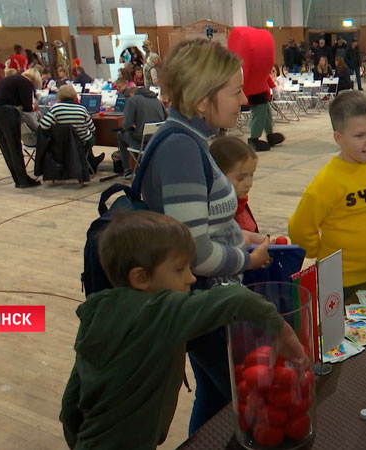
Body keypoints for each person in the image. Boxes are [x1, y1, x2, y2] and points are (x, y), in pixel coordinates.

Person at [60, 210, 307, 450]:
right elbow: (236, 299)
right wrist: (282, 331)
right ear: (141, 278)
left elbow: (71, 403)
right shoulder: (159, 311)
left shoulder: (99, 311)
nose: (190, 278)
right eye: (180, 269)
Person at [141, 39, 272, 435]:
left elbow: (204, 225)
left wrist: (243, 237)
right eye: (234, 91)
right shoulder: (180, 148)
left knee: (214, 398)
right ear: (202, 100)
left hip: (208, 304)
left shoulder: (190, 140)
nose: (243, 100)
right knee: (245, 398)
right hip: (205, 307)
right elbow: (195, 253)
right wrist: (247, 260)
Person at [289, 91, 366, 297]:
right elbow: (300, 227)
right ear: (338, 138)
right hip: (341, 279)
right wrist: (317, 251)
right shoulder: (327, 182)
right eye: (359, 135)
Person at [0, 70, 41, 188]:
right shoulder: (26, 83)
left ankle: (18, 179)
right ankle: (23, 180)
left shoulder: (12, 79)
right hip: (6, 112)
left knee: (6, 148)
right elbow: (27, 109)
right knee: (15, 147)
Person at [38, 84, 102, 172]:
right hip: (82, 142)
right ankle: (91, 162)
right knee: (87, 136)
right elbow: (92, 129)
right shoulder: (82, 109)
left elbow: (43, 125)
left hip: (61, 143)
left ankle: (90, 161)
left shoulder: (55, 109)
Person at [210, 136, 259, 232]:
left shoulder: (242, 203)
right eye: (240, 178)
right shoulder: (216, 214)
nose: (249, 183)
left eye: (251, 175)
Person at [117, 84, 167, 178]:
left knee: (121, 134)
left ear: (131, 94)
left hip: (142, 144)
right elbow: (166, 120)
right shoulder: (158, 101)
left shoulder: (132, 101)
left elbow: (126, 125)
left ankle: (127, 170)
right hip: (158, 141)